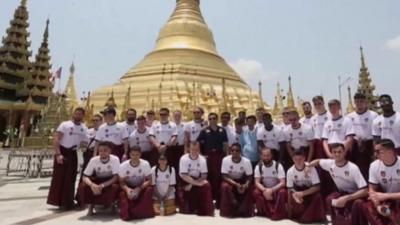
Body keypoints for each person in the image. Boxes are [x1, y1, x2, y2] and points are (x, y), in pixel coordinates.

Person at [306, 143, 368, 225]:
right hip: (341, 193)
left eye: (339, 152)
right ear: (331, 153)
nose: (337, 154)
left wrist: (346, 198)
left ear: (344, 152)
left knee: (358, 204)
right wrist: (308, 166)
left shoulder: (353, 168)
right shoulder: (329, 164)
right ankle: (335, 222)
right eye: (334, 152)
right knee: (330, 199)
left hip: (354, 195)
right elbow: (317, 161)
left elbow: (365, 190)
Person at [47, 107, 88, 210]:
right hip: (63, 151)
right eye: (77, 113)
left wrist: (84, 146)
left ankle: (68, 201)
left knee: (71, 178)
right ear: (73, 114)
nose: (78, 115)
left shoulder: (84, 128)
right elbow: (57, 139)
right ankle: (58, 201)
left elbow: (84, 142)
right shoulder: (65, 125)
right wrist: (58, 154)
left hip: (73, 153)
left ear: (83, 116)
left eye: (80, 114)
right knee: (59, 178)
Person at [361, 139, 400, 225]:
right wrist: (378, 205)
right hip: (384, 199)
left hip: (397, 197)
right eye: (375, 151)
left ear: (390, 152)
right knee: (367, 206)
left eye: (378, 151)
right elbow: (371, 189)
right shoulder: (374, 165)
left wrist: (385, 196)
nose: (375, 154)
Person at [76, 142, 120, 216]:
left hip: (110, 180)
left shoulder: (115, 159)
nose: (102, 152)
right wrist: (92, 185)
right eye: (100, 151)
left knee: (115, 188)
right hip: (97, 180)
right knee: (82, 187)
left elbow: (116, 177)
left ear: (110, 151)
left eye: (105, 150)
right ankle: (90, 206)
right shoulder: (94, 160)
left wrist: (103, 185)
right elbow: (85, 176)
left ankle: (112, 205)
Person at [286, 148, 326, 223]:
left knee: (318, 196)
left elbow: (317, 187)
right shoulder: (290, 171)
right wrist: (289, 209)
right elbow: (289, 189)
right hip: (298, 191)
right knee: (293, 196)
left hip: (309, 191)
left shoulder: (310, 167)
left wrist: (303, 193)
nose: (298, 161)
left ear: (304, 158)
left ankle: (315, 217)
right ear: (292, 159)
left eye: (300, 159)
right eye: (295, 159)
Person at [197, 113, 228, 207]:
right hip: (209, 156)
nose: (212, 120)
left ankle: (219, 200)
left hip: (219, 156)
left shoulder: (222, 130)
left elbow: (225, 144)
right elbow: (198, 143)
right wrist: (201, 154)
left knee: (219, 177)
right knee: (209, 177)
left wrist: (226, 156)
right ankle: (209, 199)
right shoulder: (204, 130)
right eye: (210, 119)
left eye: (214, 118)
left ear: (217, 119)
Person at [118, 146, 155, 220]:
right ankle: (128, 213)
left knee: (150, 189)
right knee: (122, 194)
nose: (135, 157)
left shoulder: (145, 164)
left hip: (141, 186)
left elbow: (150, 180)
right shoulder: (123, 166)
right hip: (128, 187)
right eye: (133, 155)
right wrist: (127, 189)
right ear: (129, 155)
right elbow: (121, 182)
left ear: (140, 155)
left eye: (137, 154)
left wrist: (139, 188)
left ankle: (140, 212)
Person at [177, 142, 214, 216]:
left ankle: (206, 210)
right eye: (192, 149)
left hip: (197, 179)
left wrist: (193, 184)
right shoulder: (183, 158)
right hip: (185, 180)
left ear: (199, 149)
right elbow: (184, 175)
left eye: (196, 149)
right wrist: (194, 183)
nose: (194, 151)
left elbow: (204, 175)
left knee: (207, 185)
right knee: (186, 210)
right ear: (189, 149)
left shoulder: (202, 159)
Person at [347, 93, 378, 179]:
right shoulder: (349, 116)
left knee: (370, 167)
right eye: (357, 102)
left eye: (361, 101)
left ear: (366, 102)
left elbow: (377, 133)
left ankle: (370, 187)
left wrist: (375, 148)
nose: (359, 104)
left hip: (369, 144)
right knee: (356, 167)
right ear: (354, 103)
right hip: (355, 145)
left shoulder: (373, 115)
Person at [252, 147, 287, 220]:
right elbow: (256, 182)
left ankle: (278, 213)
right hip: (265, 189)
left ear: (272, 156)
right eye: (264, 156)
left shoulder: (278, 166)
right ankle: (264, 212)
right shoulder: (259, 167)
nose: (266, 158)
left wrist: (271, 190)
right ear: (261, 156)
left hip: (276, 189)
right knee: (255, 192)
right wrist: (265, 190)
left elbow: (283, 183)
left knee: (282, 192)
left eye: (268, 155)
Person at [220, 143, 254, 217]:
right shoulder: (225, 160)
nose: (234, 152)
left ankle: (245, 211)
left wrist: (246, 185)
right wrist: (235, 184)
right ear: (230, 151)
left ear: (240, 152)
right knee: (225, 187)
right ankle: (228, 211)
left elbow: (250, 176)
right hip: (229, 180)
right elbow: (224, 176)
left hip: (241, 180)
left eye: (237, 150)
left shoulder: (246, 161)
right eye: (232, 150)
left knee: (250, 188)